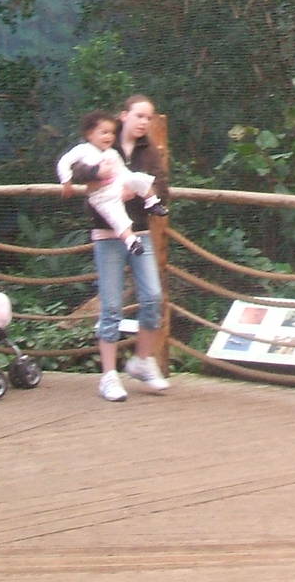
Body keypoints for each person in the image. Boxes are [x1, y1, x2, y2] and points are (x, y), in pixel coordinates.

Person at [75, 94, 171, 402]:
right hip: (106, 234)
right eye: (139, 116)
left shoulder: (150, 151)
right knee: (112, 304)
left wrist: (137, 195)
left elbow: (162, 187)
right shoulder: (103, 140)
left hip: (140, 231)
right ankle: (108, 375)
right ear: (124, 116)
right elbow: (77, 169)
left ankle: (142, 361)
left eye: (149, 118)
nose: (144, 122)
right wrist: (99, 177)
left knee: (153, 296)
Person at [57, 110, 166, 254]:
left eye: (112, 133)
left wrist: (130, 184)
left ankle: (152, 202)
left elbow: (123, 171)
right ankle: (131, 241)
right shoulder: (82, 150)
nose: (109, 136)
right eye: (104, 132)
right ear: (90, 134)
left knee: (139, 178)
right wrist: (66, 181)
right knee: (117, 217)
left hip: (118, 184)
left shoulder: (112, 153)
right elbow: (64, 162)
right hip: (102, 195)